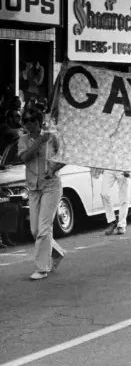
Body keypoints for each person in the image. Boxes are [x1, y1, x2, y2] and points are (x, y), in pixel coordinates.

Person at [17, 107, 67, 280]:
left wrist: (53, 169)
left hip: (51, 186)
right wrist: (39, 141)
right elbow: (24, 157)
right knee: (35, 230)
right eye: (26, 121)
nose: (29, 124)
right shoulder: (24, 139)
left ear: (39, 121)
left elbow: (64, 156)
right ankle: (57, 252)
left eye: (32, 120)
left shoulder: (52, 137)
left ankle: (42, 268)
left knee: (44, 228)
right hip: (33, 187)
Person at [97, 169, 131, 235]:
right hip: (109, 166)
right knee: (104, 194)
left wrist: (128, 168)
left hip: (123, 166)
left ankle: (121, 225)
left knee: (124, 197)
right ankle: (112, 221)